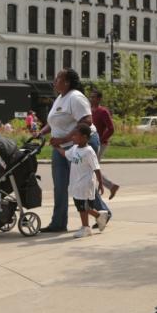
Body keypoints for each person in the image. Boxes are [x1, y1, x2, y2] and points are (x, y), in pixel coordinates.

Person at [35, 69, 112, 233]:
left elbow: (86, 120)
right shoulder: (60, 98)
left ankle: (104, 212)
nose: (54, 81)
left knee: (81, 183)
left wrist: (64, 139)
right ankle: (58, 222)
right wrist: (41, 132)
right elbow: (55, 122)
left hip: (80, 144)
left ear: (67, 82)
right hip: (60, 147)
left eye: (58, 78)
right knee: (60, 185)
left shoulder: (75, 97)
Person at [56, 122, 109, 238]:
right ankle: (99, 216)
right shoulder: (74, 148)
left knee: (84, 206)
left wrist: (100, 184)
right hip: (76, 182)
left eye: (75, 135)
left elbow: (96, 168)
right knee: (81, 205)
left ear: (84, 137)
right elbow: (66, 154)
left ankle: (86, 227)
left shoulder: (89, 151)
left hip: (85, 183)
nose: (73, 137)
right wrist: (57, 147)